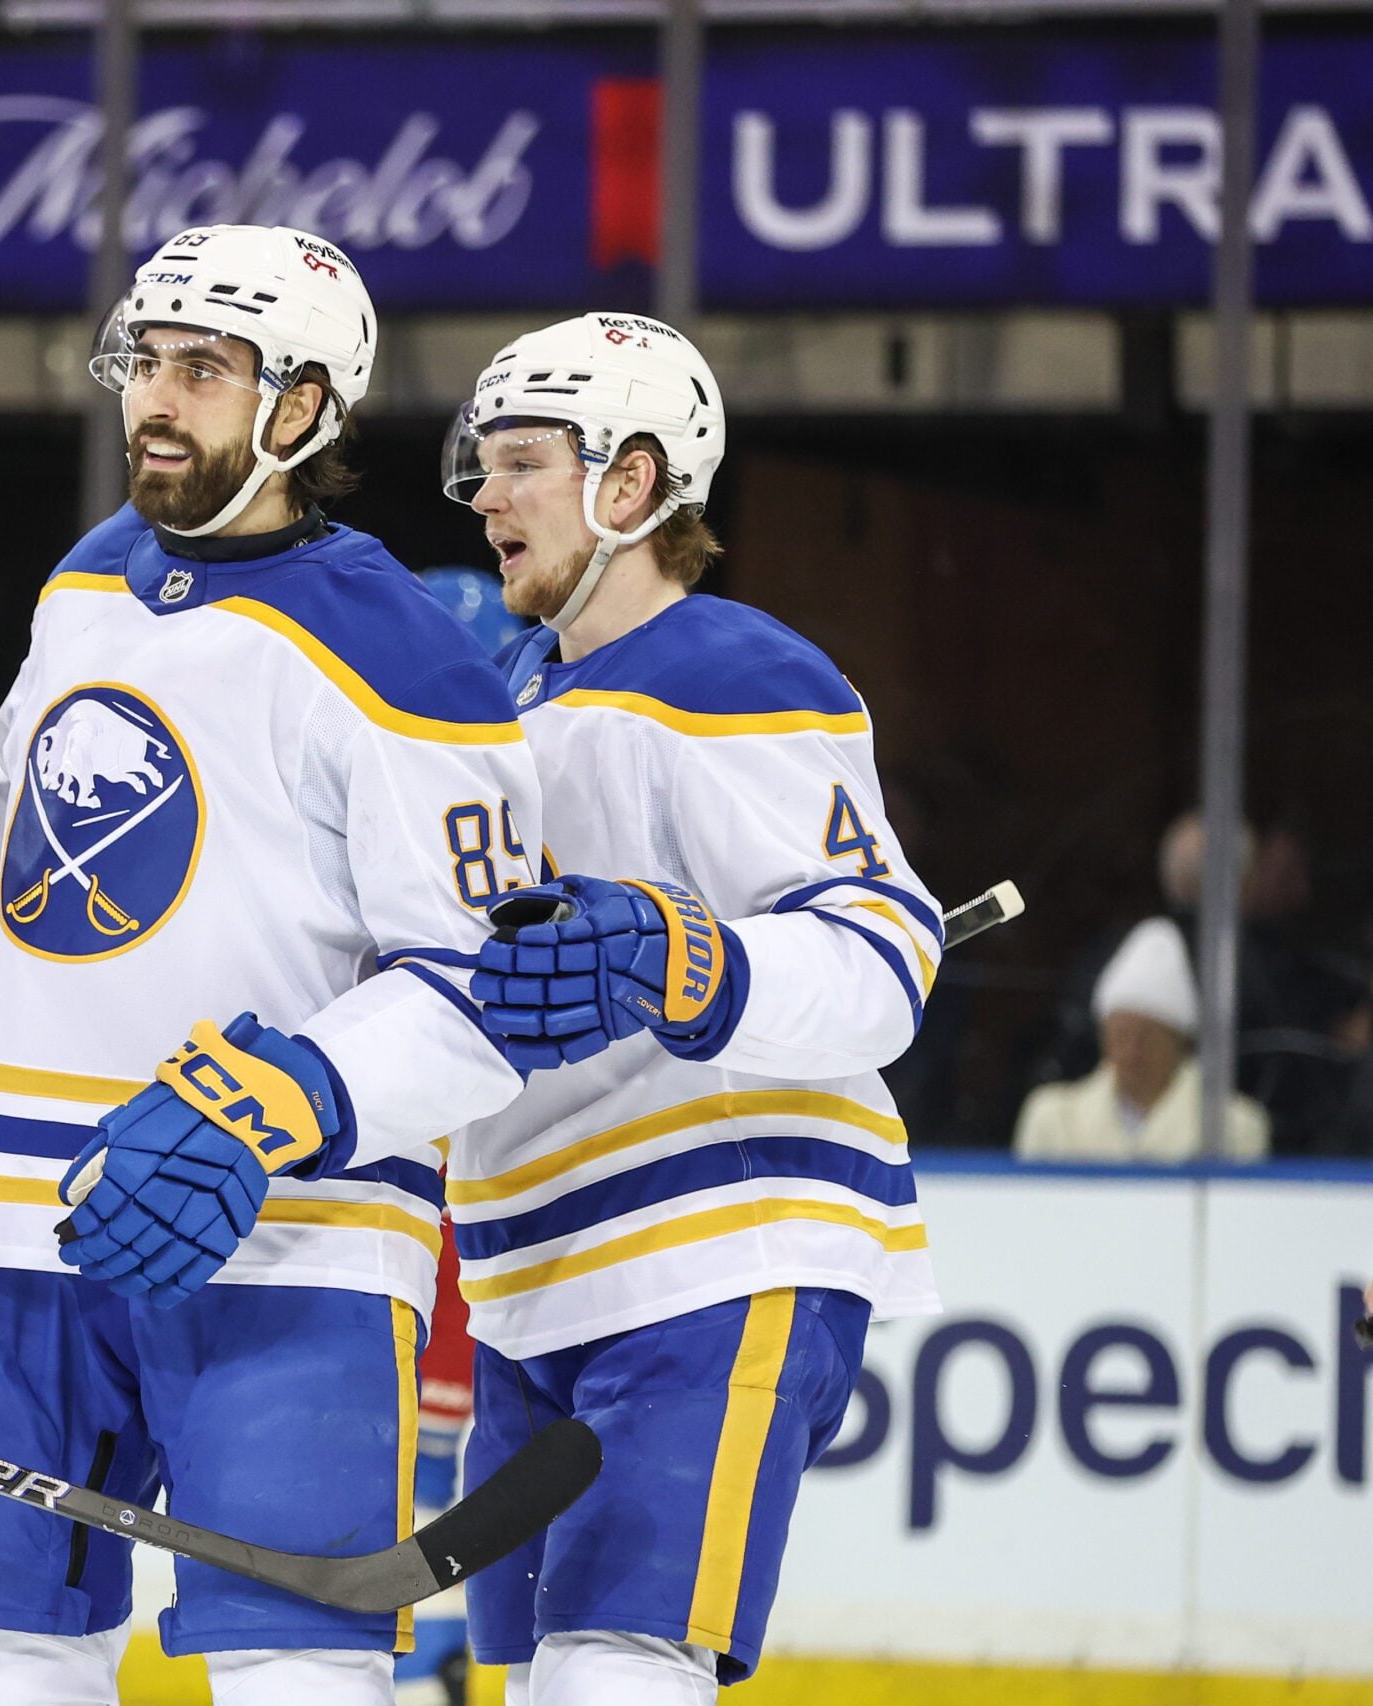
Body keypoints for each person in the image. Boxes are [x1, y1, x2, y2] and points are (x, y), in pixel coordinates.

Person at [0, 225, 544, 1706]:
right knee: (0, 1666)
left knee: (292, 1672)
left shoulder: (400, 650)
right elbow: (56, 863)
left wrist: (280, 1101)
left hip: (285, 1243)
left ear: (302, 409)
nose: (155, 401)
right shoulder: (85, 584)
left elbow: (495, 985)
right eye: (145, 362)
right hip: (23, 1239)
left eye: (204, 371)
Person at [442, 313, 943, 1704]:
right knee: (554, 1674)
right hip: (535, 1274)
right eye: (484, 463)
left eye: (524, 460)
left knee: (620, 1668)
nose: (488, 494)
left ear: (632, 481)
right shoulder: (503, 706)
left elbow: (886, 956)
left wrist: (695, 957)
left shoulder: (739, 672)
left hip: (716, 1245)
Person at [1014, 916, 1268, 1163]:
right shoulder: (1053, 1118)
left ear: (1178, 1042)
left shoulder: (1234, 1126)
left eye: (1147, 1038)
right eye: (1120, 1035)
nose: (1131, 1050)